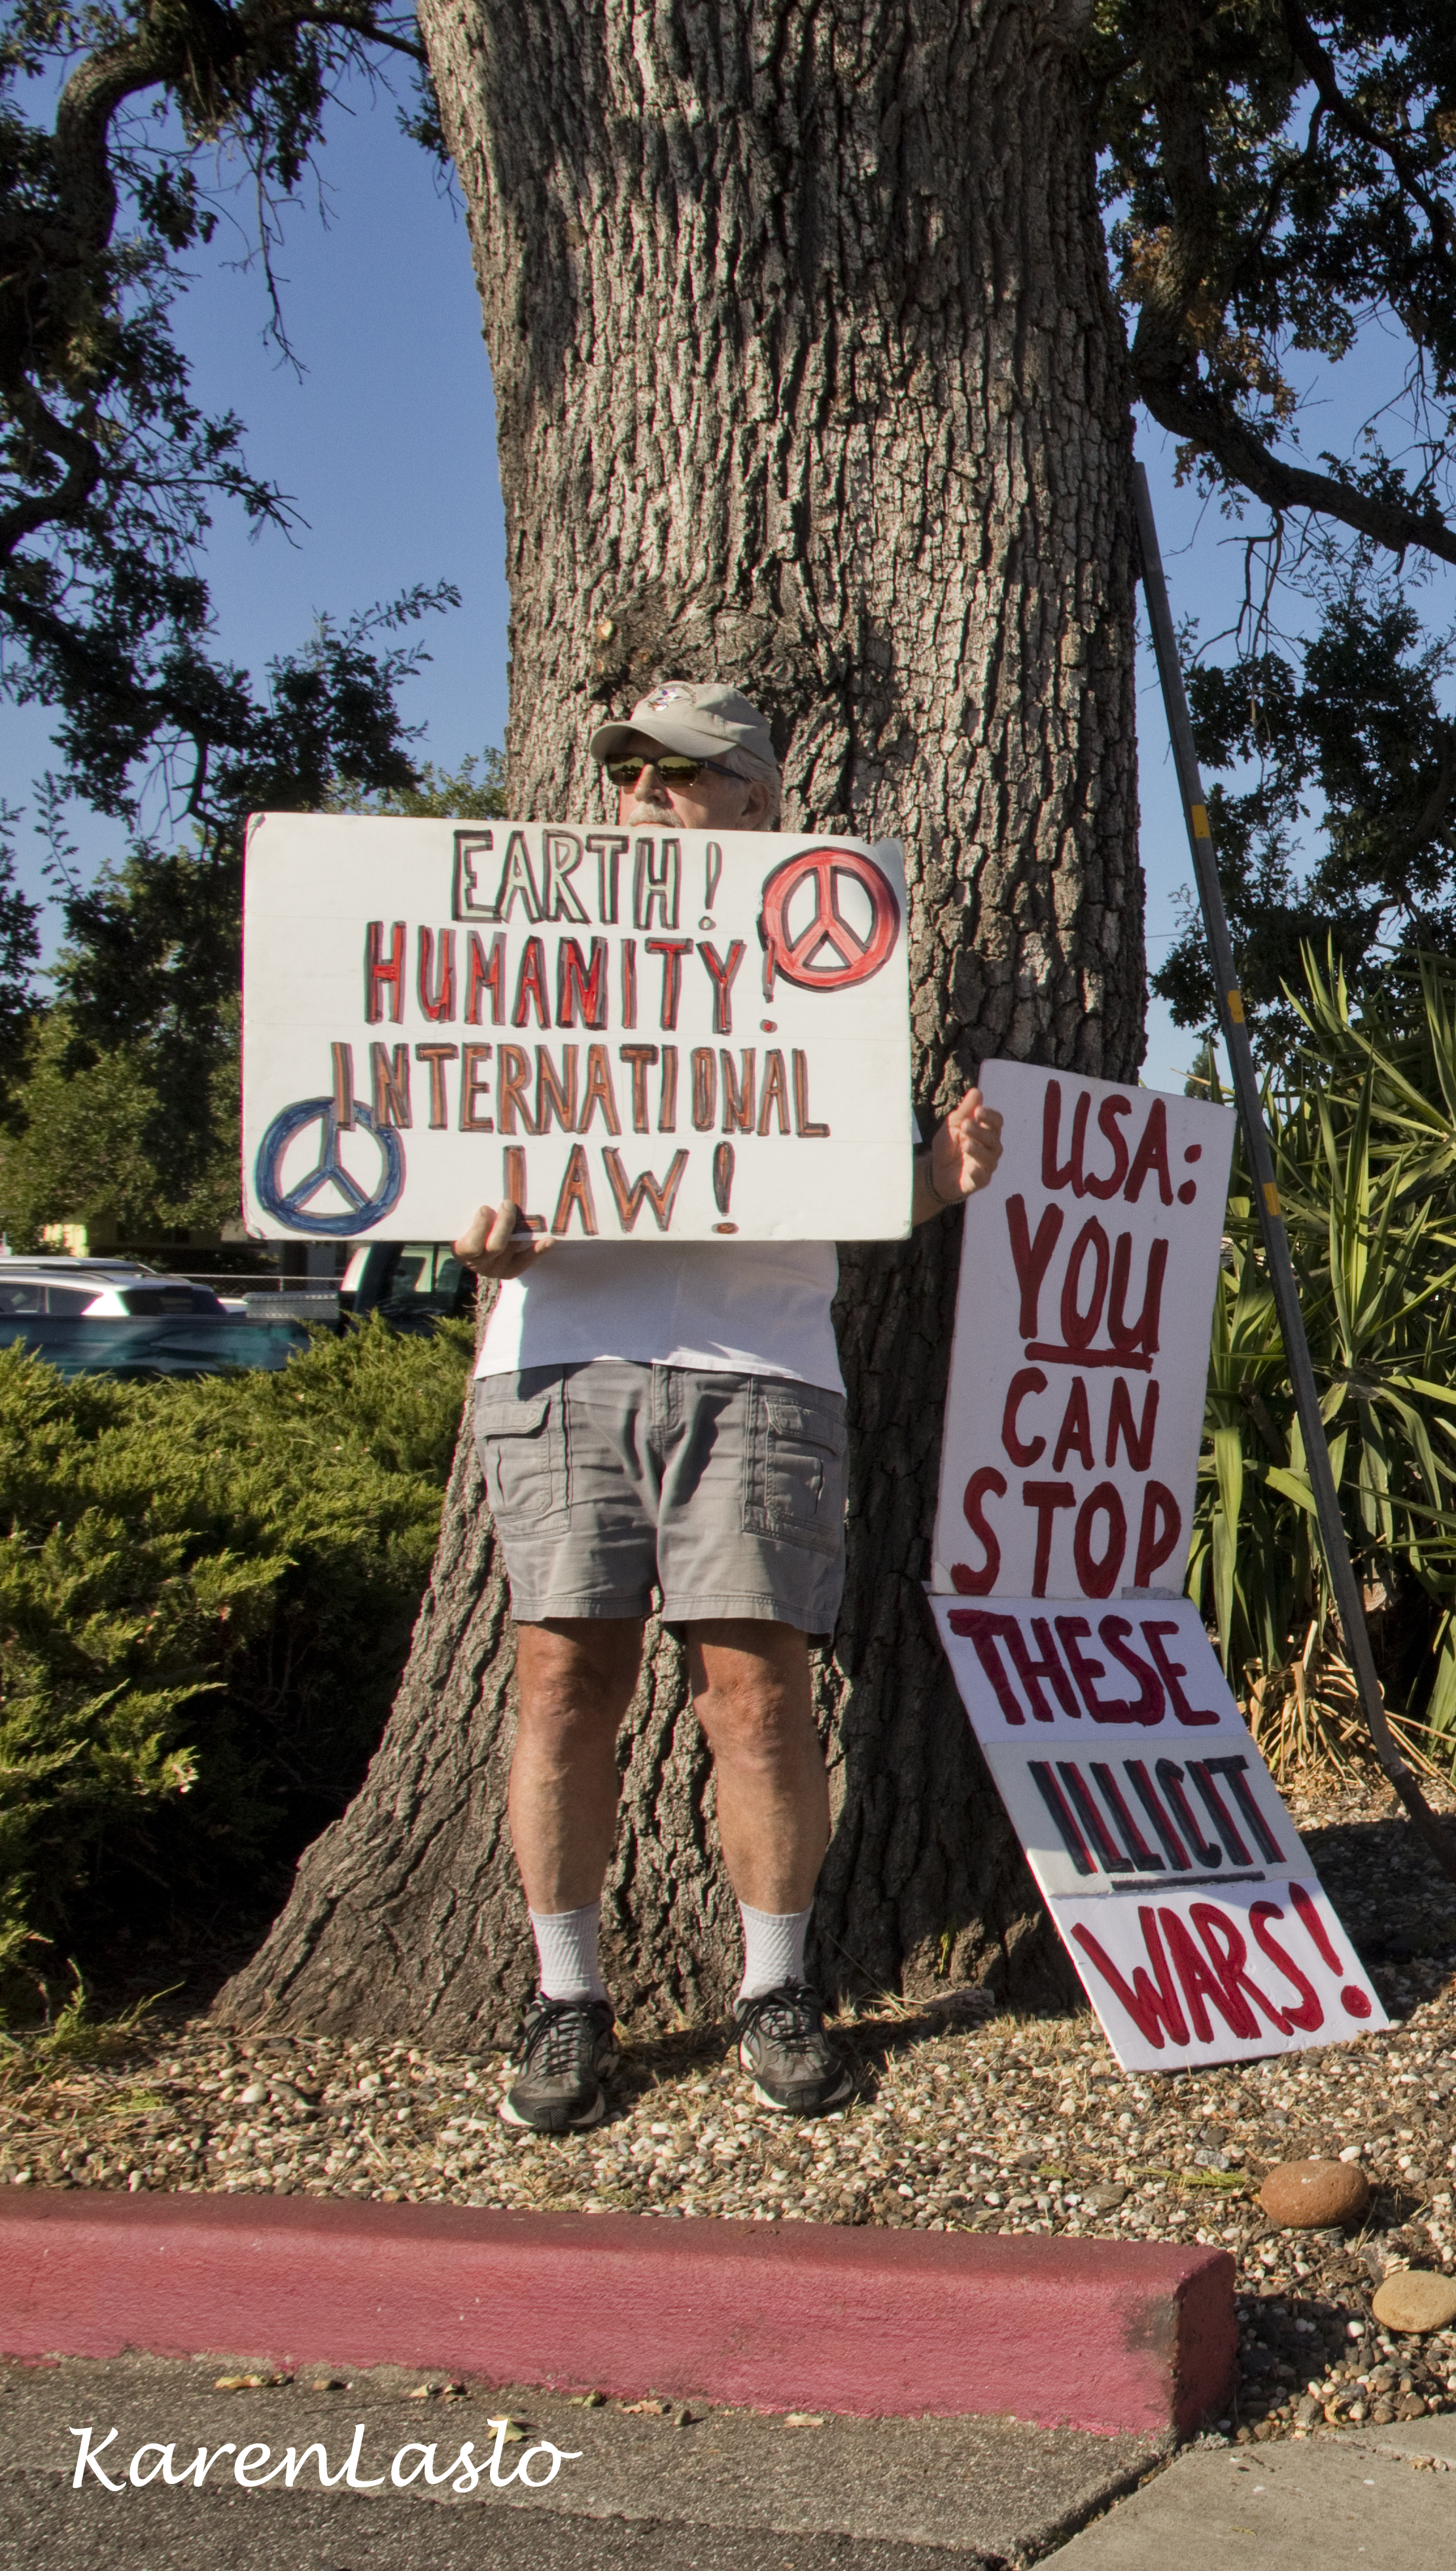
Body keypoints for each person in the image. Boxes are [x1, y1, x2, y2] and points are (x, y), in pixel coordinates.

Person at [457, 680, 1005, 2135]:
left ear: (762, 800)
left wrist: (940, 1176)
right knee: (563, 1684)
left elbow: (855, 1175)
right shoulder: (529, 957)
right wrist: (477, 1228)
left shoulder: (828, 959)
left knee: (756, 1697)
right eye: (628, 768)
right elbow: (449, 1136)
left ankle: (776, 1984)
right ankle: (565, 1995)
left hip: (762, 1369)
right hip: (559, 1354)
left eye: (685, 772)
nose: (646, 789)